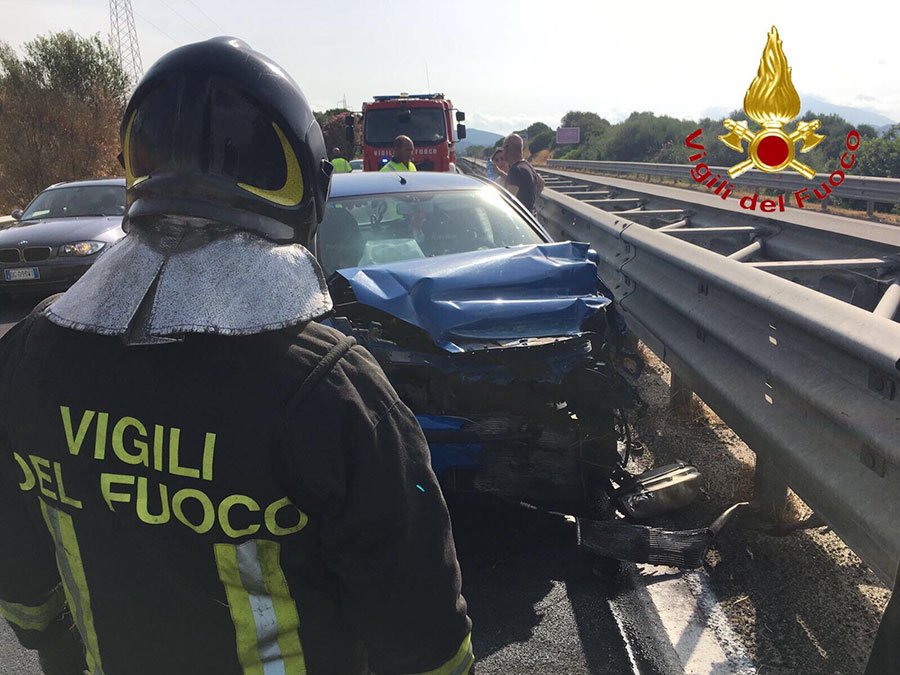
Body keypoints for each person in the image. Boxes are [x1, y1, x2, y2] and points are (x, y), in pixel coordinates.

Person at [0, 37, 472, 675]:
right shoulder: (330, 389)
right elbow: (425, 640)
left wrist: (61, 649)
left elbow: (22, 584)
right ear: (303, 185)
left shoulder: (26, 357)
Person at [502, 133, 545, 212]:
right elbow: (541, 183)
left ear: (507, 149)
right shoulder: (527, 166)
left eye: (503, 148)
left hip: (519, 220)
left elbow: (508, 202)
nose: (502, 151)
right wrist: (531, 201)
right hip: (529, 216)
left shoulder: (515, 171)